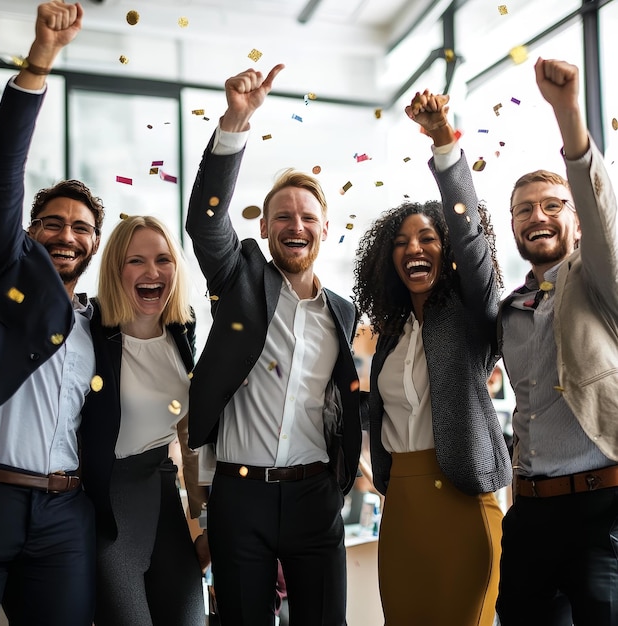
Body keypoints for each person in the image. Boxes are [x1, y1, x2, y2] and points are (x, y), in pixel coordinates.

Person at [185, 63, 362, 626]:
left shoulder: (343, 311)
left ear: (325, 229)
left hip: (315, 496)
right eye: (282, 215)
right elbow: (204, 225)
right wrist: (237, 120)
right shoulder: (239, 281)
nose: (296, 224)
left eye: (308, 216)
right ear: (263, 227)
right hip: (240, 497)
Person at [353, 90, 512, 625]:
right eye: (400, 241)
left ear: (445, 253)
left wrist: (444, 141)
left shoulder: (472, 316)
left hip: (466, 498)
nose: (414, 248)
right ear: (386, 258)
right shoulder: (390, 335)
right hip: (403, 508)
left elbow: (471, 238)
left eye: (427, 238)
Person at [495, 58, 618, 626]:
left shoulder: (598, 279)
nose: (537, 216)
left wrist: (568, 117)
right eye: (524, 210)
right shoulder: (509, 310)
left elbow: (599, 209)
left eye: (551, 205)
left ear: (573, 217)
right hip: (529, 514)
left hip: (602, 511)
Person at [0, 3, 103, 625]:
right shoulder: (3, 282)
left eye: (82, 228)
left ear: (94, 245)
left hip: (65, 514)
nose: (67, 235)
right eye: (52, 223)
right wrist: (40, 62)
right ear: (29, 235)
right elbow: (2, 173)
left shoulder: (99, 325)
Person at [79, 215, 205, 625]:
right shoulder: (90, 326)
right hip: (107, 507)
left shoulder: (182, 328)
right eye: (136, 261)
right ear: (116, 269)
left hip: (164, 496)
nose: (152, 272)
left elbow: (191, 433)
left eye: (163, 259)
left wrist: (204, 522)